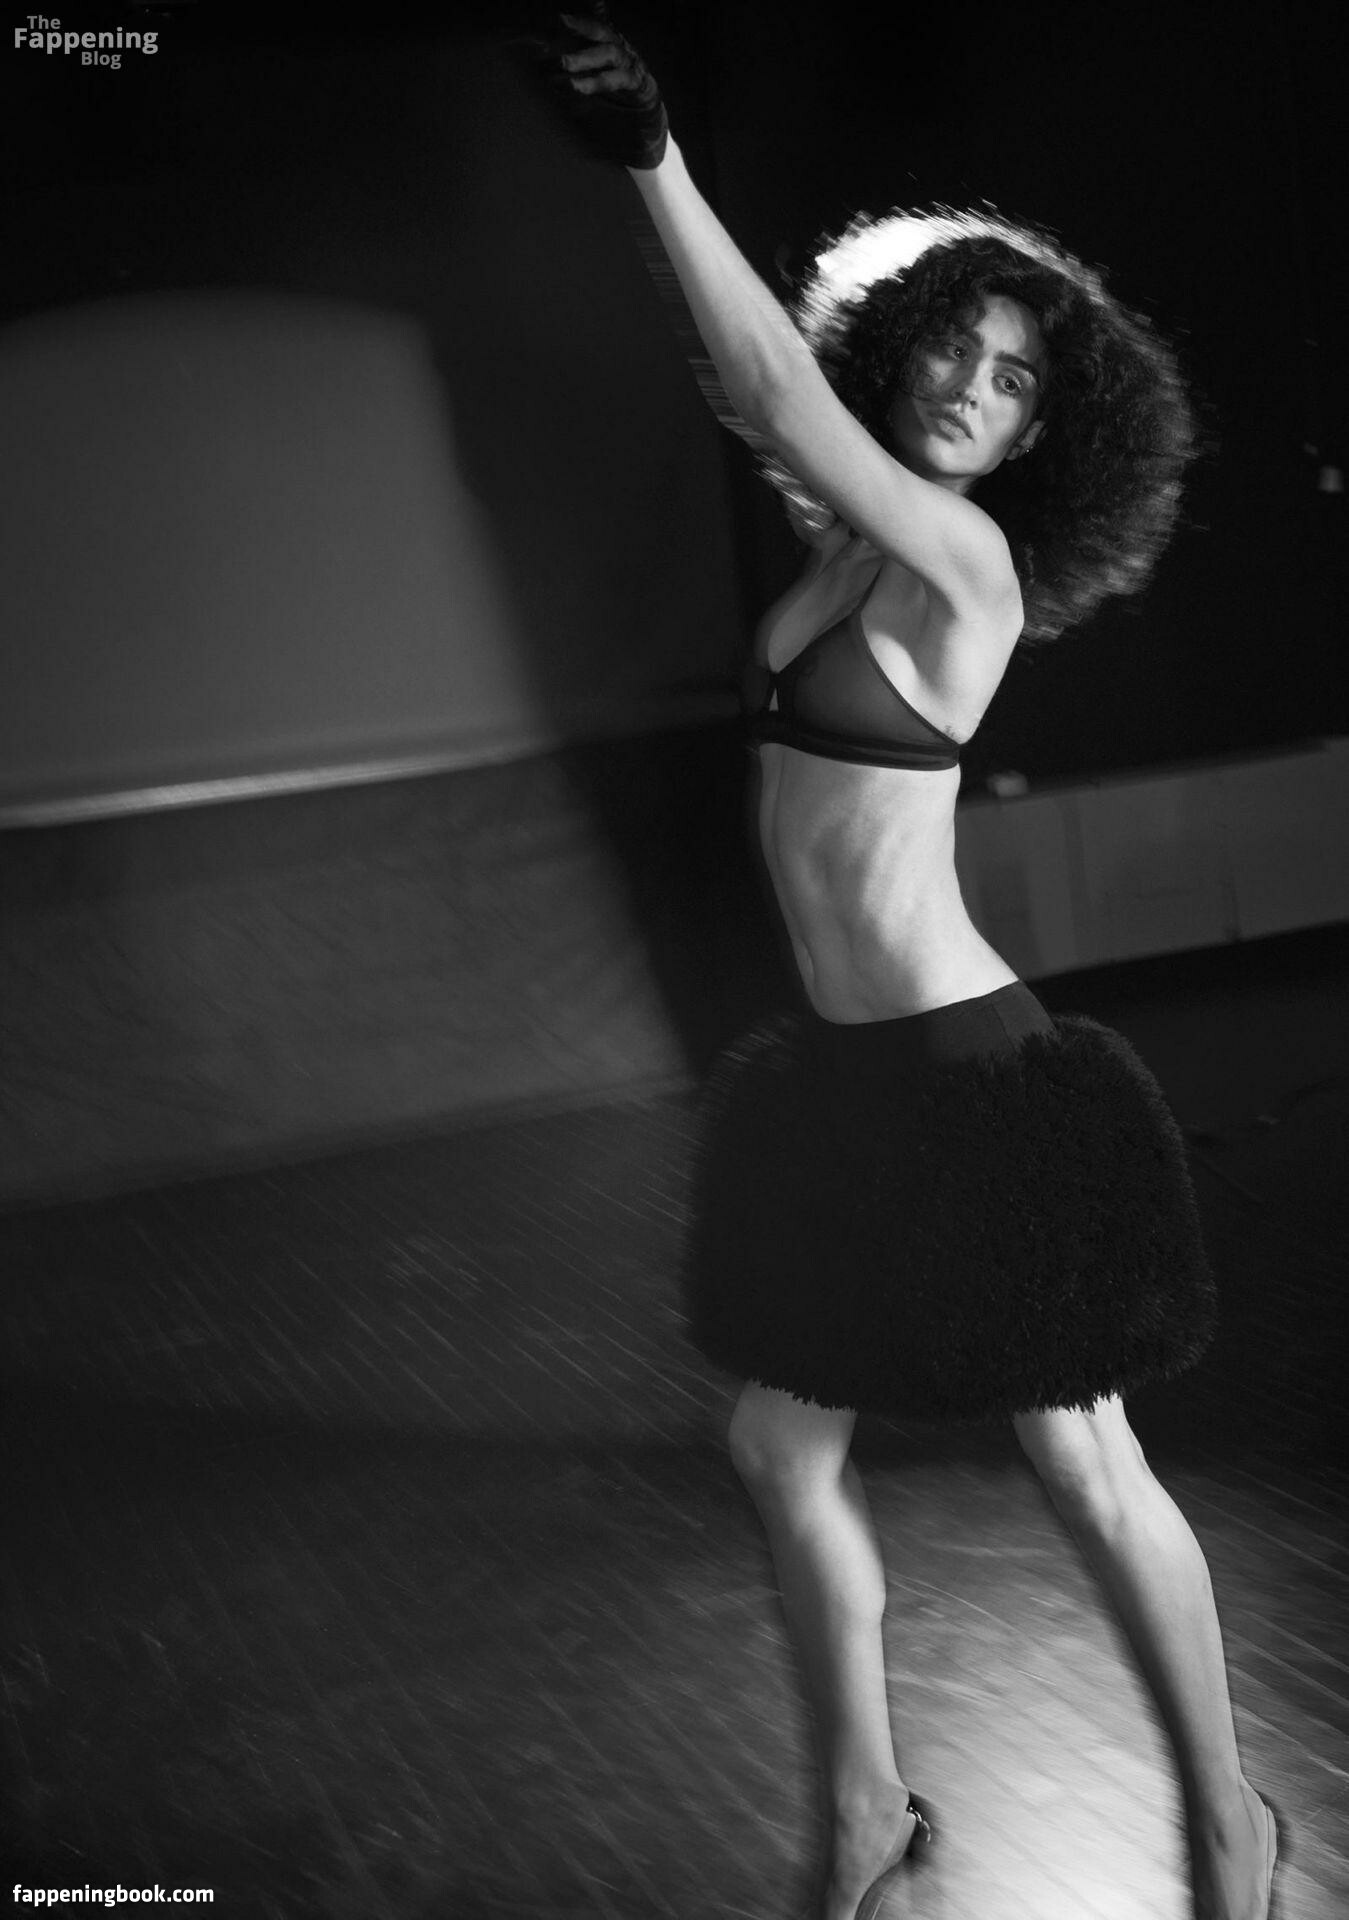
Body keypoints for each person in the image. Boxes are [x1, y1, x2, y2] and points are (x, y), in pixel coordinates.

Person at [546, 14, 1284, 1920]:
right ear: (898, 349)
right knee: (775, 1447)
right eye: (952, 345)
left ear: (1044, 438)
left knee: (1082, 1466)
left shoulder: (962, 563)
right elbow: (767, 398)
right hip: (840, 1081)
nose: (971, 383)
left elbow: (769, 386)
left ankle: (1229, 1825)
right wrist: (652, 203)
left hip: (969, 1072)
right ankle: (864, 1809)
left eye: (1014, 377)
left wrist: (654, 158)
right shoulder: (837, 551)